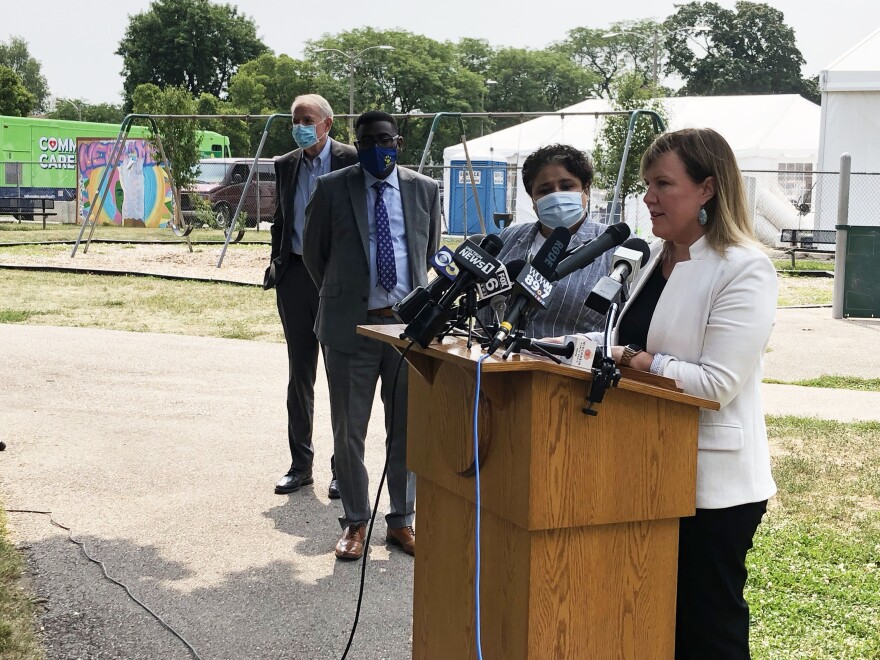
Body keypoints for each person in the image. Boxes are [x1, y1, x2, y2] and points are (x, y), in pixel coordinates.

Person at [606, 128, 777, 658]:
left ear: (707, 189)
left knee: (706, 632)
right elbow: (620, 339)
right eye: (645, 185)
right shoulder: (653, 260)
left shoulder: (744, 268)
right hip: (645, 470)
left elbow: (716, 384)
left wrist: (637, 362)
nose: (649, 197)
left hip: (711, 487)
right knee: (652, 623)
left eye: (663, 184)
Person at [303, 110, 441, 560]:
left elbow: (429, 252)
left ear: (397, 142)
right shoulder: (331, 188)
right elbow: (314, 255)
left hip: (407, 330)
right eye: (365, 141)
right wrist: (348, 296)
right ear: (356, 143)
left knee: (407, 430)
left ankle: (402, 521)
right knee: (349, 431)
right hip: (349, 327)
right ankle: (355, 521)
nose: (374, 148)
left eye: (383, 139)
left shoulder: (424, 190)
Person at [263, 94, 358, 498]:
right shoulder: (286, 165)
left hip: (337, 282)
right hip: (296, 277)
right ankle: (301, 465)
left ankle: (343, 469)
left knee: (341, 377)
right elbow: (281, 220)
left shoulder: (351, 159)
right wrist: (276, 264)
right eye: (295, 119)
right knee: (299, 374)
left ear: (327, 124)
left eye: (307, 119)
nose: (300, 126)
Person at [483, 144, 612, 338]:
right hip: (493, 360)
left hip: (569, 365)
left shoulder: (612, 246)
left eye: (567, 186)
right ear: (533, 199)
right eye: (545, 190)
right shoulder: (508, 238)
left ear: (585, 190)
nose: (557, 195)